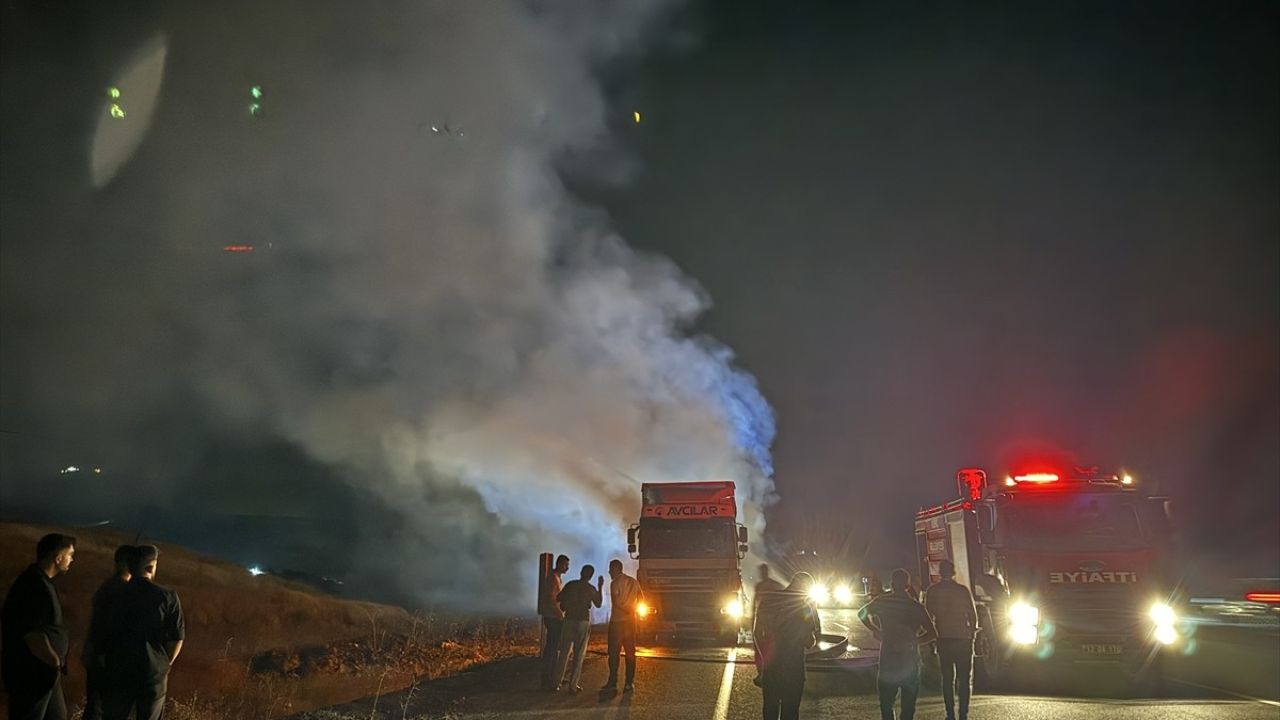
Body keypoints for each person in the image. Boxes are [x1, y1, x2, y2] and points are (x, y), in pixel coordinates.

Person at [100, 545, 185, 720]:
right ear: (151, 567)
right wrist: (164, 663)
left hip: (118, 669)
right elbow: (176, 637)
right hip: (152, 672)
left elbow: (103, 633)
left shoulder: (114, 594)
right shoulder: (167, 596)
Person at [2, 533, 76, 720]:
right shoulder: (33, 586)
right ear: (58, 557)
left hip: (45, 673)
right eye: (70, 555)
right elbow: (32, 633)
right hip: (32, 674)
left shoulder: (41, 582)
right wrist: (53, 660)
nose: (72, 560)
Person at [859, 568, 937, 720]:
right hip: (910, 660)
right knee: (908, 706)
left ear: (892, 584)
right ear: (907, 585)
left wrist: (876, 630)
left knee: (886, 703)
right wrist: (915, 641)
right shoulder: (916, 607)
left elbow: (861, 613)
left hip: (888, 659)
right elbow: (933, 633)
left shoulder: (882, 602)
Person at [754, 572, 820, 720]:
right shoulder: (804, 608)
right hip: (794, 670)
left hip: (772, 667)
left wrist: (764, 660)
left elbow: (757, 633)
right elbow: (809, 642)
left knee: (770, 710)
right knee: (790, 712)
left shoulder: (769, 601)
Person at [83, 545, 136, 720]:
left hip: (98, 656)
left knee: (96, 707)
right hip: (105, 659)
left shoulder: (109, 586)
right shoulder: (119, 589)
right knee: (99, 709)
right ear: (122, 563)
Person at [925, 560, 978, 720]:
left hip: (944, 639)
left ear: (941, 573)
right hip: (963, 638)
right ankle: (963, 714)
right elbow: (973, 615)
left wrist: (931, 640)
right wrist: (972, 636)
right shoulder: (962, 591)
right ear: (953, 572)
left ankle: (950, 714)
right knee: (964, 678)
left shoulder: (932, 591)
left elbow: (928, 618)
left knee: (947, 678)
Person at [553, 564, 602, 693]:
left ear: (581, 572)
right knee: (579, 654)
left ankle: (556, 682)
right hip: (583, 621)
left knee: (564, 652)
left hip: (569, 620)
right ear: (591, 576)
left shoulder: (571, 585)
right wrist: (601, 587)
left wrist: (567, 604)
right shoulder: (591, 588)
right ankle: (573, 685)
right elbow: (598, 603)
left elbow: (558, 598)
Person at [602, 559, 642, 692]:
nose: (609, 572)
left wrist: (626, 610)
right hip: (631, 622)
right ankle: (629, 683)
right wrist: (633, 610)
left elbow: (616, 602)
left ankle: (613, 682)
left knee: (614, 653)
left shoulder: (614, 583)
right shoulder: (634, 582)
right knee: (630, 652)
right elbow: (641, 598)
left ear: (615, 569)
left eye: (610, 569)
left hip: (617, 622)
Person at [538, 554, 570, 690]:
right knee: (552, 647)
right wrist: (560, 615)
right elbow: (551, 599)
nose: (567, 568)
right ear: (560, 564)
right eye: (566, 565)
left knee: (553, 647)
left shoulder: (557, 578)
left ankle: (552, 677)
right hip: (553, 617)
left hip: (554, 616)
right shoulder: (553, 579)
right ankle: (548, 680)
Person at [751, 563, 785, 687]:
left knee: (767, 650)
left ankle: (767, 674)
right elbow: (754, 604)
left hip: (769, 623)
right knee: (759, 650)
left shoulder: (774, 586)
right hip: (762, 622)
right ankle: (762, 673)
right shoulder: (760, 586)